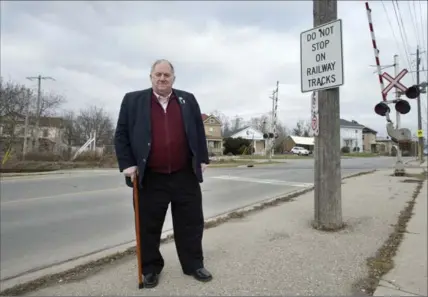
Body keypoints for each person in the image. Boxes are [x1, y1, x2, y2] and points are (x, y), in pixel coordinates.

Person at [114, 59, 212, 289]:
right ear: (150, 77)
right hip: (150, 177)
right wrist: (128, 164)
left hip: (184, 174)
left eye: (166, 75)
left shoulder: (188, 99)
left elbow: (198, 130)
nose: (162, 78)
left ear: (173, 78)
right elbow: (121, 134)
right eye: (158, 74)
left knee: (191, 223)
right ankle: (150, 268)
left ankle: (193, 264)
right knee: (148, 225)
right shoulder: (133, 100)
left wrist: (203, 158)